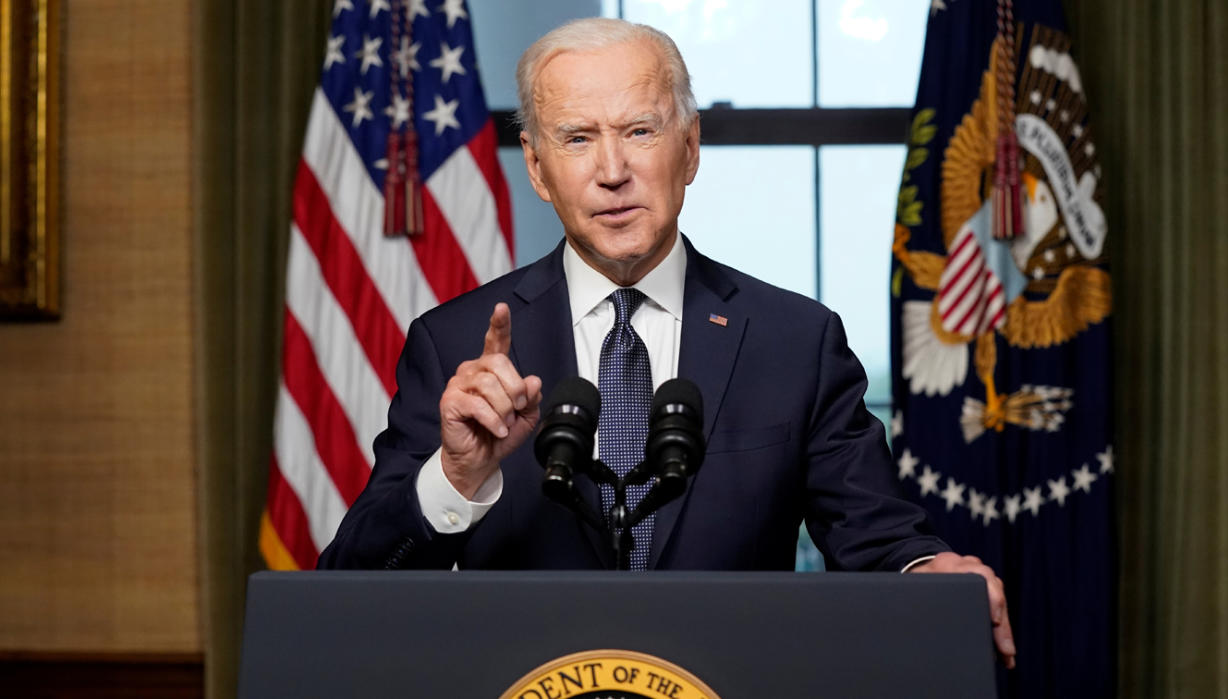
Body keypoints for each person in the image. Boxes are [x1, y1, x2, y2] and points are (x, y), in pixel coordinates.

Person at [317, 17, 1015, 668]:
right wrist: (456, 475)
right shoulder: (454, 345)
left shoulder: (795, 342)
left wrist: (930, 573)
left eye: (640, 130)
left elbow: (880, 537)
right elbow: (350, 588)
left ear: (689, 147)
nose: (612, 169)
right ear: (535, 167)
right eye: (577, 137)